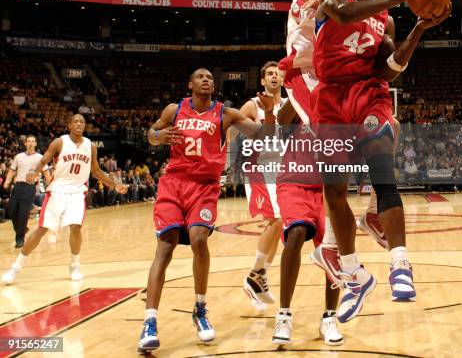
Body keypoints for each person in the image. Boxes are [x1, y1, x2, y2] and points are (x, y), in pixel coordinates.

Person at [312, 0, 451, 322]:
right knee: (334, 194)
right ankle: (353, 273)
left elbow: (388, 68)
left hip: (368, 93)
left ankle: (400, 264)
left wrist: (418, 29)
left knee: (383, 175)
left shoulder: (385, 21)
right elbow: (342, 15)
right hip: (330, 99)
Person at [278, 0, 390, 285]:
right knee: (343, 153)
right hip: (304, 77)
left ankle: (353, 229)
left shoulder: (341, 3)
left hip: (328, 78)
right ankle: (339, 249)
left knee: (381, 123)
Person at [138, 68, 276, 354]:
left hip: (204, 187)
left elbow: (262, 135)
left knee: (199, 239)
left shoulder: (226, 114)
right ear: (190, 84)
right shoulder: (175, 109)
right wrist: (158, 136)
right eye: (200, 76)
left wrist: (271, 112)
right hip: (174, 184)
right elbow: (151, 133)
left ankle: (200, 309)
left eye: (210, 77)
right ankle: (149, 322)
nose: (206, 80)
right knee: (165, 246)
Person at [1, 114, 127, 285]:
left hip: (77, 190)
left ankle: (74, 265)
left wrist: (114, 185)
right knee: (42, 229)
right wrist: (34, 171)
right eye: (75, 121)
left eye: (82, 122)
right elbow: (44, 159)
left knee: (76, 227)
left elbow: (96, 171)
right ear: (69, 125)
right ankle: (16, 267)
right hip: (58, 189)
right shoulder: (59, 142)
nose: (79, 124)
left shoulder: (90, 146)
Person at [272, 104, 343, 346]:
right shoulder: (298, 109)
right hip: (293, 184)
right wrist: (296, 83)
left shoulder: (335, 111)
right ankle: (283, 315)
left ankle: (329, 318)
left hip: (325, 189)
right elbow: (281, 118)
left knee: (334, 250)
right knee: (297, 231)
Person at [240, 61, 287, 312]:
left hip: (283, 170)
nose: (274, 77)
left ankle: (259, 275)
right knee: (278, 219)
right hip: (259, 168)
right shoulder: (252, 105)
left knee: (278, 223)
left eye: (279, 74)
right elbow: (234, 129)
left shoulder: (290, 105)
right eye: (269, 73)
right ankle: (255, 274)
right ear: (262, 80)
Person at [3, 135, 50, 248]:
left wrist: (51, 185)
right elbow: (12, 170)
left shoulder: (40, 157)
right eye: (28, 141)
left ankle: (20, 239)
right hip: (18, 186)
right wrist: (7, 181)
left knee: (23, 213)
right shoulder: (19, 156)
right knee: (11, 210)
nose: (30, 143)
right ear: (25, 144)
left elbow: (46, 173)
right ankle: (23, 229)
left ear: (35, 144)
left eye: (33, 141)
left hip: (29, 187)